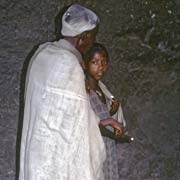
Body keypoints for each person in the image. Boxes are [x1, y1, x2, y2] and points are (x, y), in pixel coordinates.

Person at [18, 4, 109, 180]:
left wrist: (100, 120)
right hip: (58, 158)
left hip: (37, 153)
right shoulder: (70, 65)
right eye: (93, 36)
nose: (92, 42)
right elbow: (78, 126)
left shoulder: (42, 54)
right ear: (85, 36)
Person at [84, 43, 133, 180]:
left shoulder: (102, 90)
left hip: (106, 148)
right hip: (91, 151)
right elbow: (86, 123)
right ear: (85, 64)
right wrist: (114, 135)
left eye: (104, 62)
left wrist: (111, 112)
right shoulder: (82, 91)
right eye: (95, 62)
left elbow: (98, 117)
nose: (101, 67)